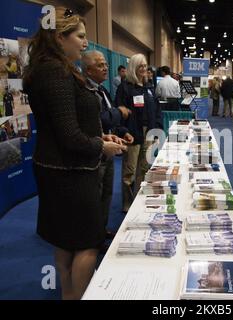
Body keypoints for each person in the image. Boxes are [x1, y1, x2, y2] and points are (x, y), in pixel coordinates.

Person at [22, 7, 126, 300]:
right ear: (59, 37)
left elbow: (66, 126)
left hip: (61, 170)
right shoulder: (55, 72)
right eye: (80, 36)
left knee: (66, 243)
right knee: (86, 244)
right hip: (70, 174)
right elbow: (68, 136)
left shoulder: (52, 69)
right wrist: (101, 147)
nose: (85, 43)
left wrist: (100, 136)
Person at [81, 50, 134, 240]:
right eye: (100, 65)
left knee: (107, 195)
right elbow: (100, 118)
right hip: (95, 152)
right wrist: (119, 112)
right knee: (96, 197)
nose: (105, 68)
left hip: (108, 149)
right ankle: (92, 238)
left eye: (105, 64)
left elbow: (109, 117)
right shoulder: (86, 91)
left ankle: (101, 232)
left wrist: (122, 132)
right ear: (87, 70)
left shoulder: (102, 90)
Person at [116, 54, 163, 213]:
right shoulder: (125, 87)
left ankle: (139, 200)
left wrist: (158, 129)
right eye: (140, 66)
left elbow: (157, 111)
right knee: (129, 171)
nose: (143, 69)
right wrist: (124, 132)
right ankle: (127, 204)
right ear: (133, 68)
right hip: (132, 133)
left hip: (148, 132)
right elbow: (120, 112)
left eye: (145, 66)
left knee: (144, 168)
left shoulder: (149, 87)